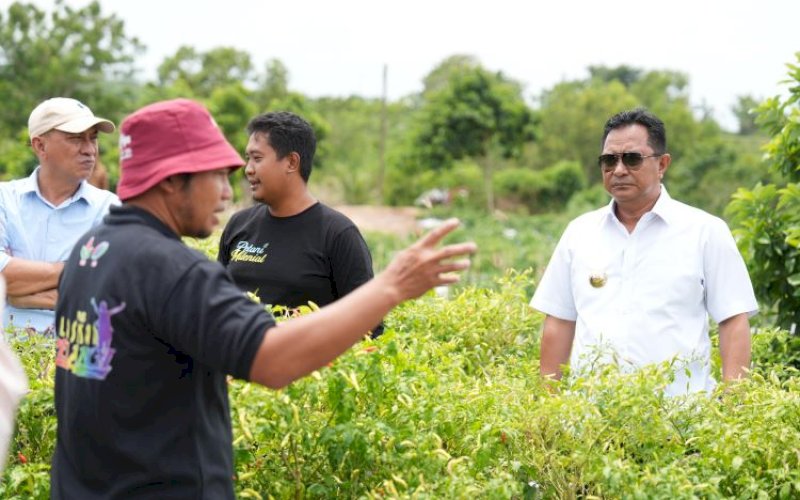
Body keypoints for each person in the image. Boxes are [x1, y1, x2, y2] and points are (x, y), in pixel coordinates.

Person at [51, 98, 476, 498]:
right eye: (216, 175)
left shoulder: (92, 250)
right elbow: (271, 360)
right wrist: (392, 286)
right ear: (172, 180)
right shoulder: (172, 270)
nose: (226, 191)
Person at [530, 108, 757, 396]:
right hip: (590, 427)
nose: (619, 170)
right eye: (609, 160)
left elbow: (733, 319)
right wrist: (547, 410)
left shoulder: (705, 232)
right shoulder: (579, 233)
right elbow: (560, 322)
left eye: (632, 159)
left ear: (662, 164)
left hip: (681, 423)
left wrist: (734, 402)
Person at [218, 111, 382, 336]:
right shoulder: (239, 224)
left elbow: (369, 326)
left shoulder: (338, 234)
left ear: (292, 162)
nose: (248, 169)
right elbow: (217, 303)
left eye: (257, 158)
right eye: (248, 158)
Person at [0, 97, 118, 334]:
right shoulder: (4, 199)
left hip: (80, 355)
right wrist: (79, 268)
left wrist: (16, 292)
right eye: (76, 138)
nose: (89, 149)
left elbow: (111, 290)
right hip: (8, 360)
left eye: (93, 138)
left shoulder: (110, 208)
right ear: (40, 146)